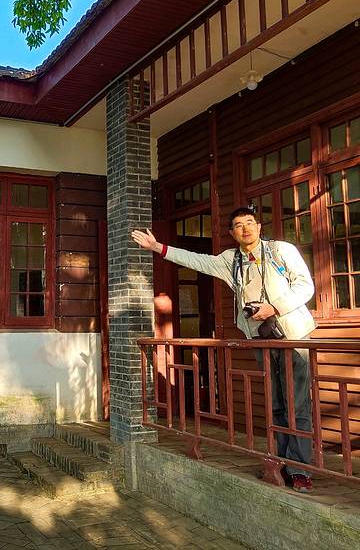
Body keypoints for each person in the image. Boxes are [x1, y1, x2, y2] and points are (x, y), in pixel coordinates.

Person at [131, 207, 316, 493]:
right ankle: (283, 461)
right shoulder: (232, 260)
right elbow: (197, 260)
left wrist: (273, 307)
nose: (246, 229)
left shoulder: (281, 251)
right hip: (261, 338)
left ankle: (301, 469)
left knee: (298, 403)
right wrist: (158, 247)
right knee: (277, 402)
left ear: (259, 226)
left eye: (250, 223)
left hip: (293, 336)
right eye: (239, 225)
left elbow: (306, 287)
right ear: (232, 233)